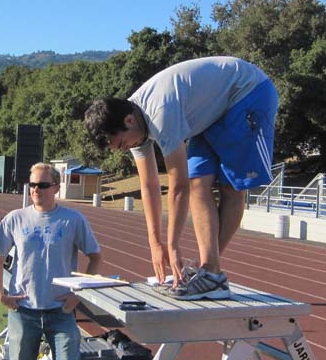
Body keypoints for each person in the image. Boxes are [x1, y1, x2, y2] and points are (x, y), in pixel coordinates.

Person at [84, 56, 279, 300]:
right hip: (214, 111)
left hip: (247, 94)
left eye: (123, 143)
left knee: (231, 187)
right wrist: (155, 244)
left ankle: (210, 272)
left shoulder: (160, 114)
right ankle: (207, 271)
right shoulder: (132, 123)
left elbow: (177, 186)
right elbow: (149, 185)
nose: (126, 148)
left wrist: (173, 245)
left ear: (129, 121)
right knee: (200, 182)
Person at [0, 162, 102, 360]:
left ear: (56, 187)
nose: (35, 189)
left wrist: (78, 294)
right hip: (23, 311)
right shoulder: (14, 219)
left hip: (61, 311)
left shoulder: (73, 219)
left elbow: (95, 257)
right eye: (32, 184)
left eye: (42, 184)